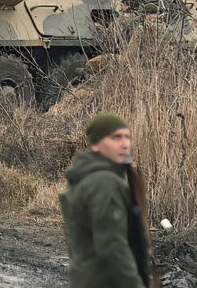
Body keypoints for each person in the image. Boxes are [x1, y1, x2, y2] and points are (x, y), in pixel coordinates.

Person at [59, 113, 154, 288]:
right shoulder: (105, 183)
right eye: (116, 137)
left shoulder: (84, 176)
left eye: (127, 137)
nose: (125, 143)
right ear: (96, 144)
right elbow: (112, 247)